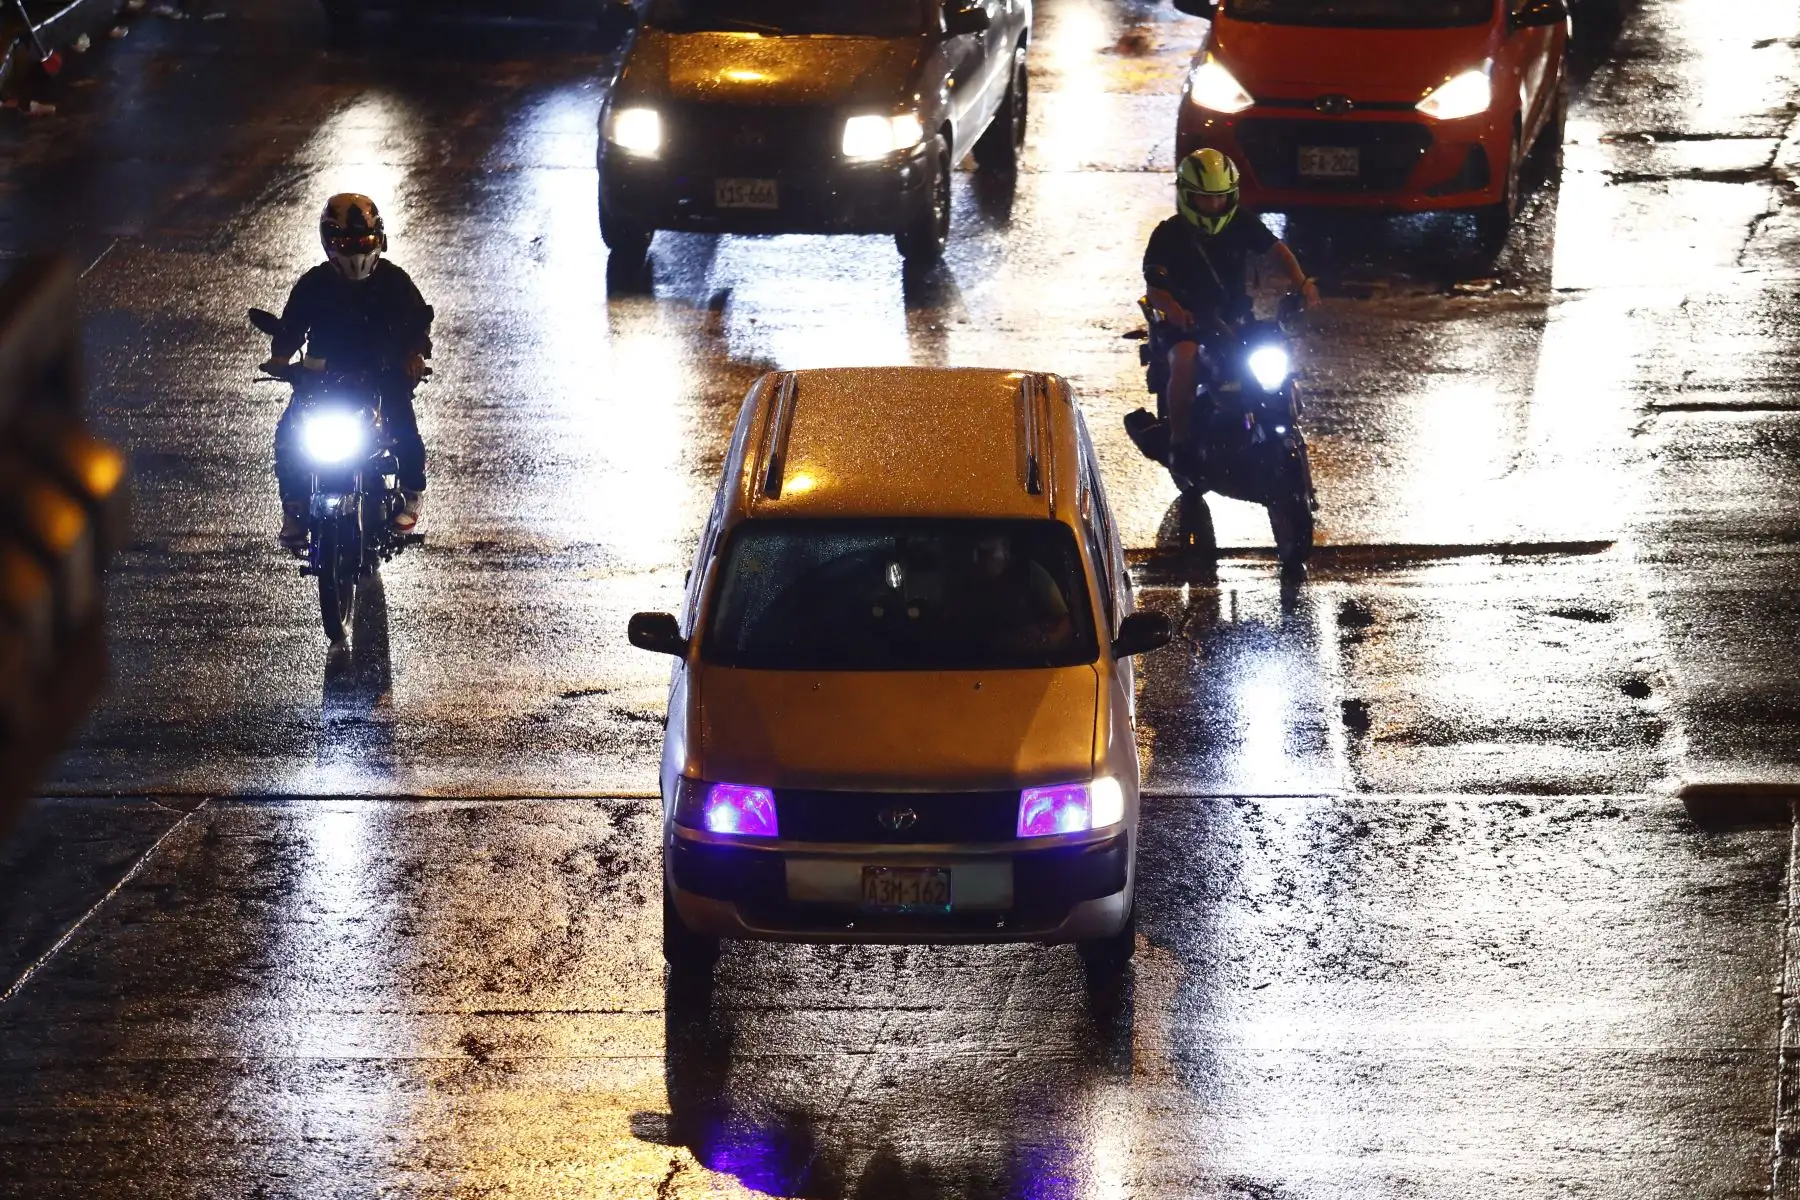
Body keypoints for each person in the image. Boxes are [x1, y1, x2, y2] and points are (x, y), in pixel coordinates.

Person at [264, 194, 434, 550]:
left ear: (379, 240)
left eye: (363, 242)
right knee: (288, 434)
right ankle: (294, 509)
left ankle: (411, 493)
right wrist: (280, 359)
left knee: (403, 424)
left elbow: (417, 324)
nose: (355, 250)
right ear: (328, 241)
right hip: (324, 377)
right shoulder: (314, 283)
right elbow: (291, 327)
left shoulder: (395, 281)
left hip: (382, 374)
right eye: (345, 242)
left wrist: (414, 355)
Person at [1142, 148, 1319, 458]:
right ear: (1187, 195)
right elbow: (1156, 288)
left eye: (1220, 197)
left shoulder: (1242, 223)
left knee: (1277, 349)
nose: (1213, 205)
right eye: (1204, 197)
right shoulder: (1168, 234)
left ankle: (1280, 420)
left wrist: (1301, 282)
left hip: (1235, 320)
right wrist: (1176, 311)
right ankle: (1180, 443)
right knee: (1184, 359)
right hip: (1189, 326)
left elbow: (1277, 251)